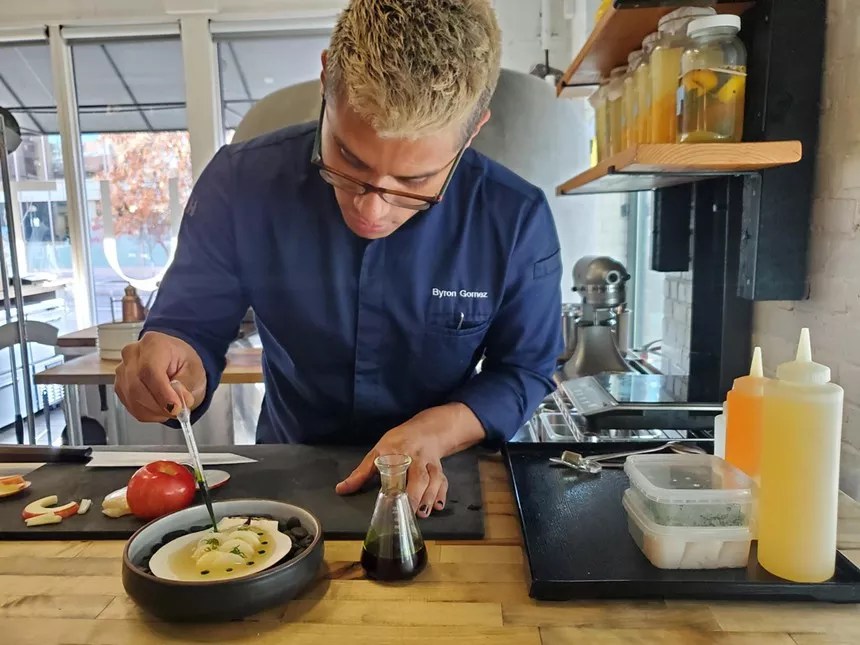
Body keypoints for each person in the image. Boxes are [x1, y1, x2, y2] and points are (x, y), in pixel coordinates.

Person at [115, 0, 562, 518]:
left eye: (415, 181)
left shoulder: (515, 218)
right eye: (349, 159)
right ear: (326, 78)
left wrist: (439, 429)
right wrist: (173, 360)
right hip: (289, 470)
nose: (372, 210)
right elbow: (191, 325)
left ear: (474, 128)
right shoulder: (241, 183)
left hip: (439, 481)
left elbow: (525, 368)